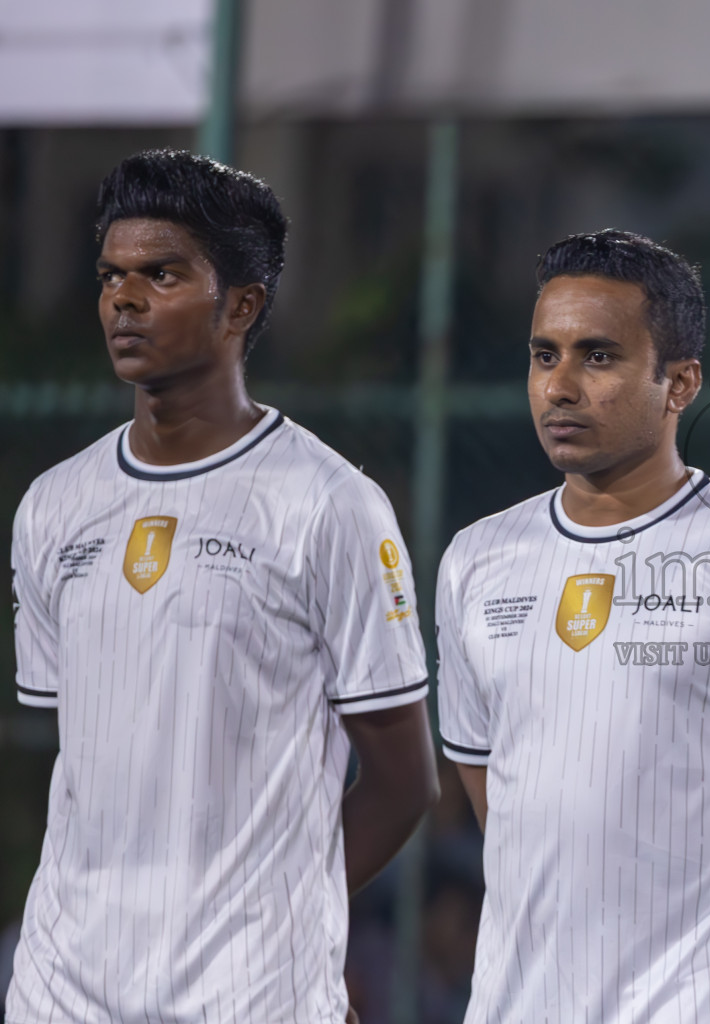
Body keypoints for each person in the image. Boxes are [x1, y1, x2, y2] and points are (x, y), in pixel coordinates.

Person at [6, 150, 438, 1023]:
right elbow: (88, 759)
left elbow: (404, 782)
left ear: (241, 305)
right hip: (63, 985)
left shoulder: (330, 506)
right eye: (111, 277)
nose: (123, 300)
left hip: (247, 991)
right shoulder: (54, 506)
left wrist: (290, 915)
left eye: (161, 274)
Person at [435, 229, 710, 1022]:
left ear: (679, 383)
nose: (560, 386)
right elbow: (492, 794)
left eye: (597, 357)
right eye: (545, 355)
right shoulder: (477, 559)